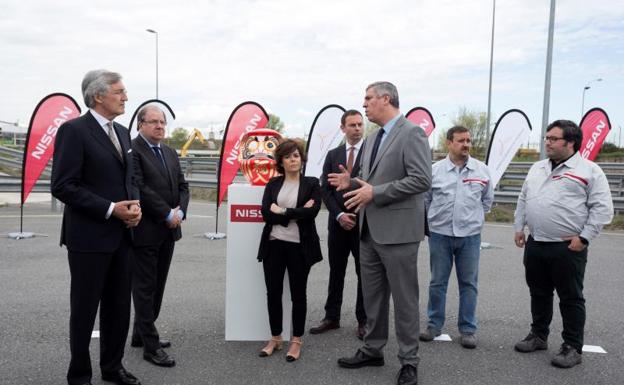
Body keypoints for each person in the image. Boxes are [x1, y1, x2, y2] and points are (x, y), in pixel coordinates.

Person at [330, 81, 432, 385]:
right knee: (373, 297)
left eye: (368, 98)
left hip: (399, 231)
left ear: (386, 99)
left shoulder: (412, 133)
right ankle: (373, 349)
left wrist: (376, 192)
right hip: (368, 230)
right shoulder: (373, 139)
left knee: (404, 300)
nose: (364, 104)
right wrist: (352, 181)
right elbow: (371, 181)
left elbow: (421, 179)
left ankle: (409, 361)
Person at [51, 70, 142, 385]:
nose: (125, 97)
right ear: (98, 96)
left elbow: (130, 178)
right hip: (88, 238)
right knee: (85, 309)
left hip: (123, 236)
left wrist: (134, 206)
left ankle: (112, 367)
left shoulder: (123, 132)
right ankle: (79, 375)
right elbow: (63, 185)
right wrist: (109, 209)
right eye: (119, 91)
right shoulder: (74, 131)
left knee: (118, 308)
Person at [513, 119, 613, 368]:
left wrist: (584, 237)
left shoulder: (589, 170)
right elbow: (523, 198)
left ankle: (572, 347)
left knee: (570, 297)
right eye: (546, 137)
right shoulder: (537, 168)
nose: (547, 142)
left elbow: (602, 209)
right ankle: (538, 335)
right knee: (539, 293)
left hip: (567, 247)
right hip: (536, 243)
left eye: (553, 138)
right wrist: (519, 227)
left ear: (570, 142)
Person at [419, 126, 493, 349]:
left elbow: (487, 201)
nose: (466, 144)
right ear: (449, 143)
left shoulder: (481, 170)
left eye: (469, 140)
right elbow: (426, 200)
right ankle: (434, 325)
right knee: (437, 282)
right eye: (461, 140)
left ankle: (468, 329)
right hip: (440, 234)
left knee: (469, 283)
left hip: (470, 236)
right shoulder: (434, 171)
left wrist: (472, 219)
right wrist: (434, 223)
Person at [129, 105, 189, 367]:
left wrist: (180, 213)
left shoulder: (169, 151)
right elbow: (139, 187)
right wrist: (166, 213)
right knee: (145, 288)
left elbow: (183, 186)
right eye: (153, 122)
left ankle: (140, 335)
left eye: (162, 122)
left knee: (158, 286)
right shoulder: (133, 151)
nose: (159, 126)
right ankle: (151, 347)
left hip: (169, 230)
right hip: (147, 230)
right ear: (141, 124)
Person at [256, 139, 323, 362]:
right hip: (274, 245)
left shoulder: (312, 183)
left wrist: (282, 211)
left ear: (301, 159)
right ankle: (275, 337)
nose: (293, 159)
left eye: (296, 156)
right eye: (288, 156)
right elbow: (266, 213)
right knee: (273, 293)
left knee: (298, 294)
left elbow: (311, 213)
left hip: (299, 247)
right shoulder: (273, 184)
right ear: (281, 162)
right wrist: (294, 213)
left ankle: (296, 340)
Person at [310, 109, 367, 339]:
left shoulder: (372, 153)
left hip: (364, 224)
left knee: (364, 273)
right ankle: (331, 317)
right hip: (338, 224)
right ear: (343, 128)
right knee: (336, 272)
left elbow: (373, 185)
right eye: (352, 125)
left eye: (360, 124)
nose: (357, 128)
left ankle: (364, 321)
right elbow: (325, 189)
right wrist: (339, 216)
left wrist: (357, 213)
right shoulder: (333, 155)